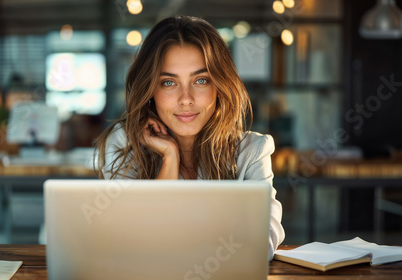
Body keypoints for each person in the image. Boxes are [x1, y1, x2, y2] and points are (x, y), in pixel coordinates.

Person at [95, 15, 284, 261]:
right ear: (151, 89)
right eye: (169, 82)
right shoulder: (124, 145)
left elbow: (261, 245)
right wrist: (170, 159)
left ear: (220, 85)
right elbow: (132, 242)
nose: (186, 98)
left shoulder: (252, 151)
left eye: (201, 80)